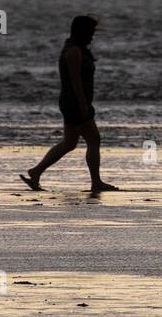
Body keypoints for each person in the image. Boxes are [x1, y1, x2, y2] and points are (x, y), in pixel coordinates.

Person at [20, 14, 119, 193]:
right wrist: (83, 106)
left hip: (71, 102)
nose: (92, 36)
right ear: (81, 32)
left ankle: (36, 172)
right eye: (90, 32)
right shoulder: (73, 51)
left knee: (69, 143)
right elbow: (75, 82)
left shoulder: (78, 49)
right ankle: (96, 182)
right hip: (74, 102)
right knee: (94, 139)